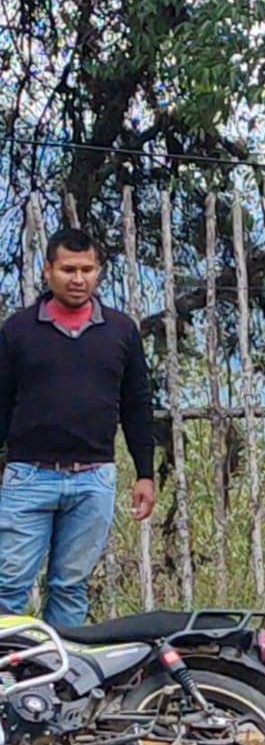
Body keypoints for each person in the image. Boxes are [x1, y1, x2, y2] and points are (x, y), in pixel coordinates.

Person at [0, 227, 155, 628]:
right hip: (29, 477)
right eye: (68, 269)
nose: (78, 278)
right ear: (49, 270)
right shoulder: (18, 331)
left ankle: (63, 682)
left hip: (94, 480)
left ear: (98, 272)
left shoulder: (120, 332)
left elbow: (137, 405)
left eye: (87, 269)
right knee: (9, 585)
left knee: (71, 585)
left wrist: (145, 473)